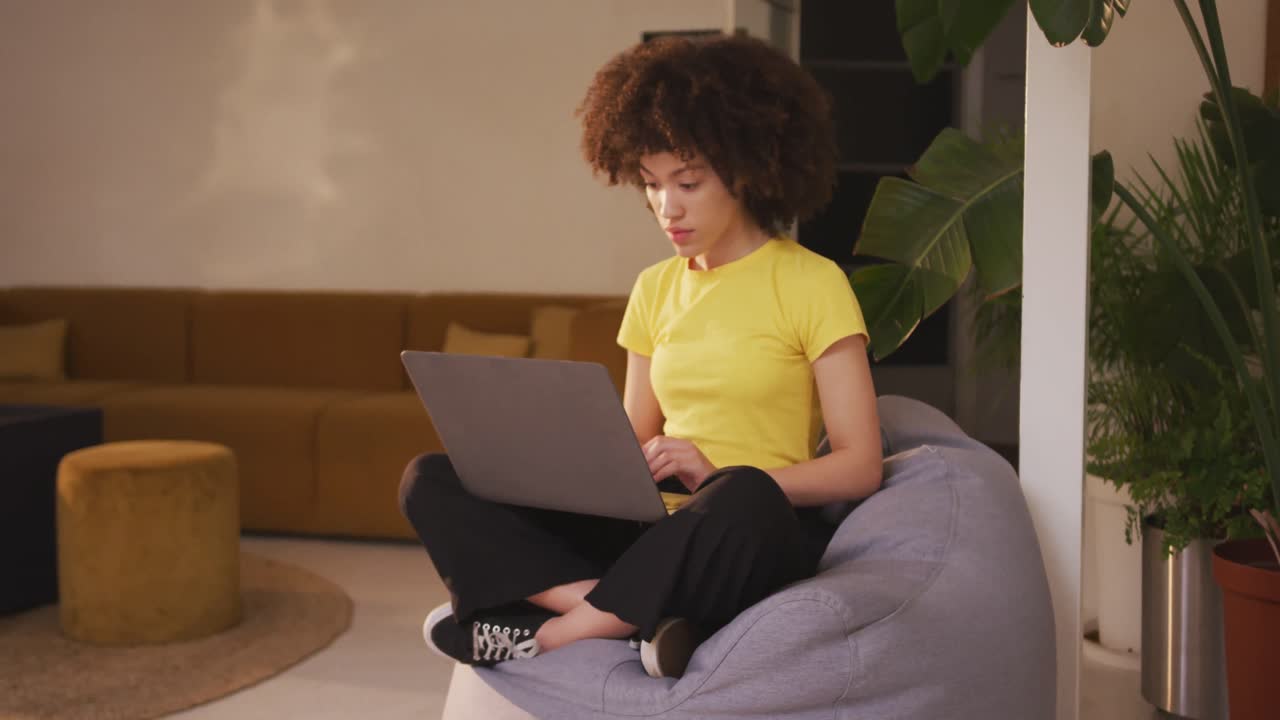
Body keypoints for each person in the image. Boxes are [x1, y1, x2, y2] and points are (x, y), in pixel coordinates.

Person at [398, 32, 883, 679]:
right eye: (651, 185)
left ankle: (551, 631)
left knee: (745, 492)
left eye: (688, 183)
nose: (665, 207)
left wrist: (714, 474)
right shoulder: (655, 287)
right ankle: (621, 616)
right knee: (431, 477)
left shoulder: (812, 282)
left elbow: (860, 465)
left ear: (747, 172)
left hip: (744, 531)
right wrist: (549, 467)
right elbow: (632, 440)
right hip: (650, 533)